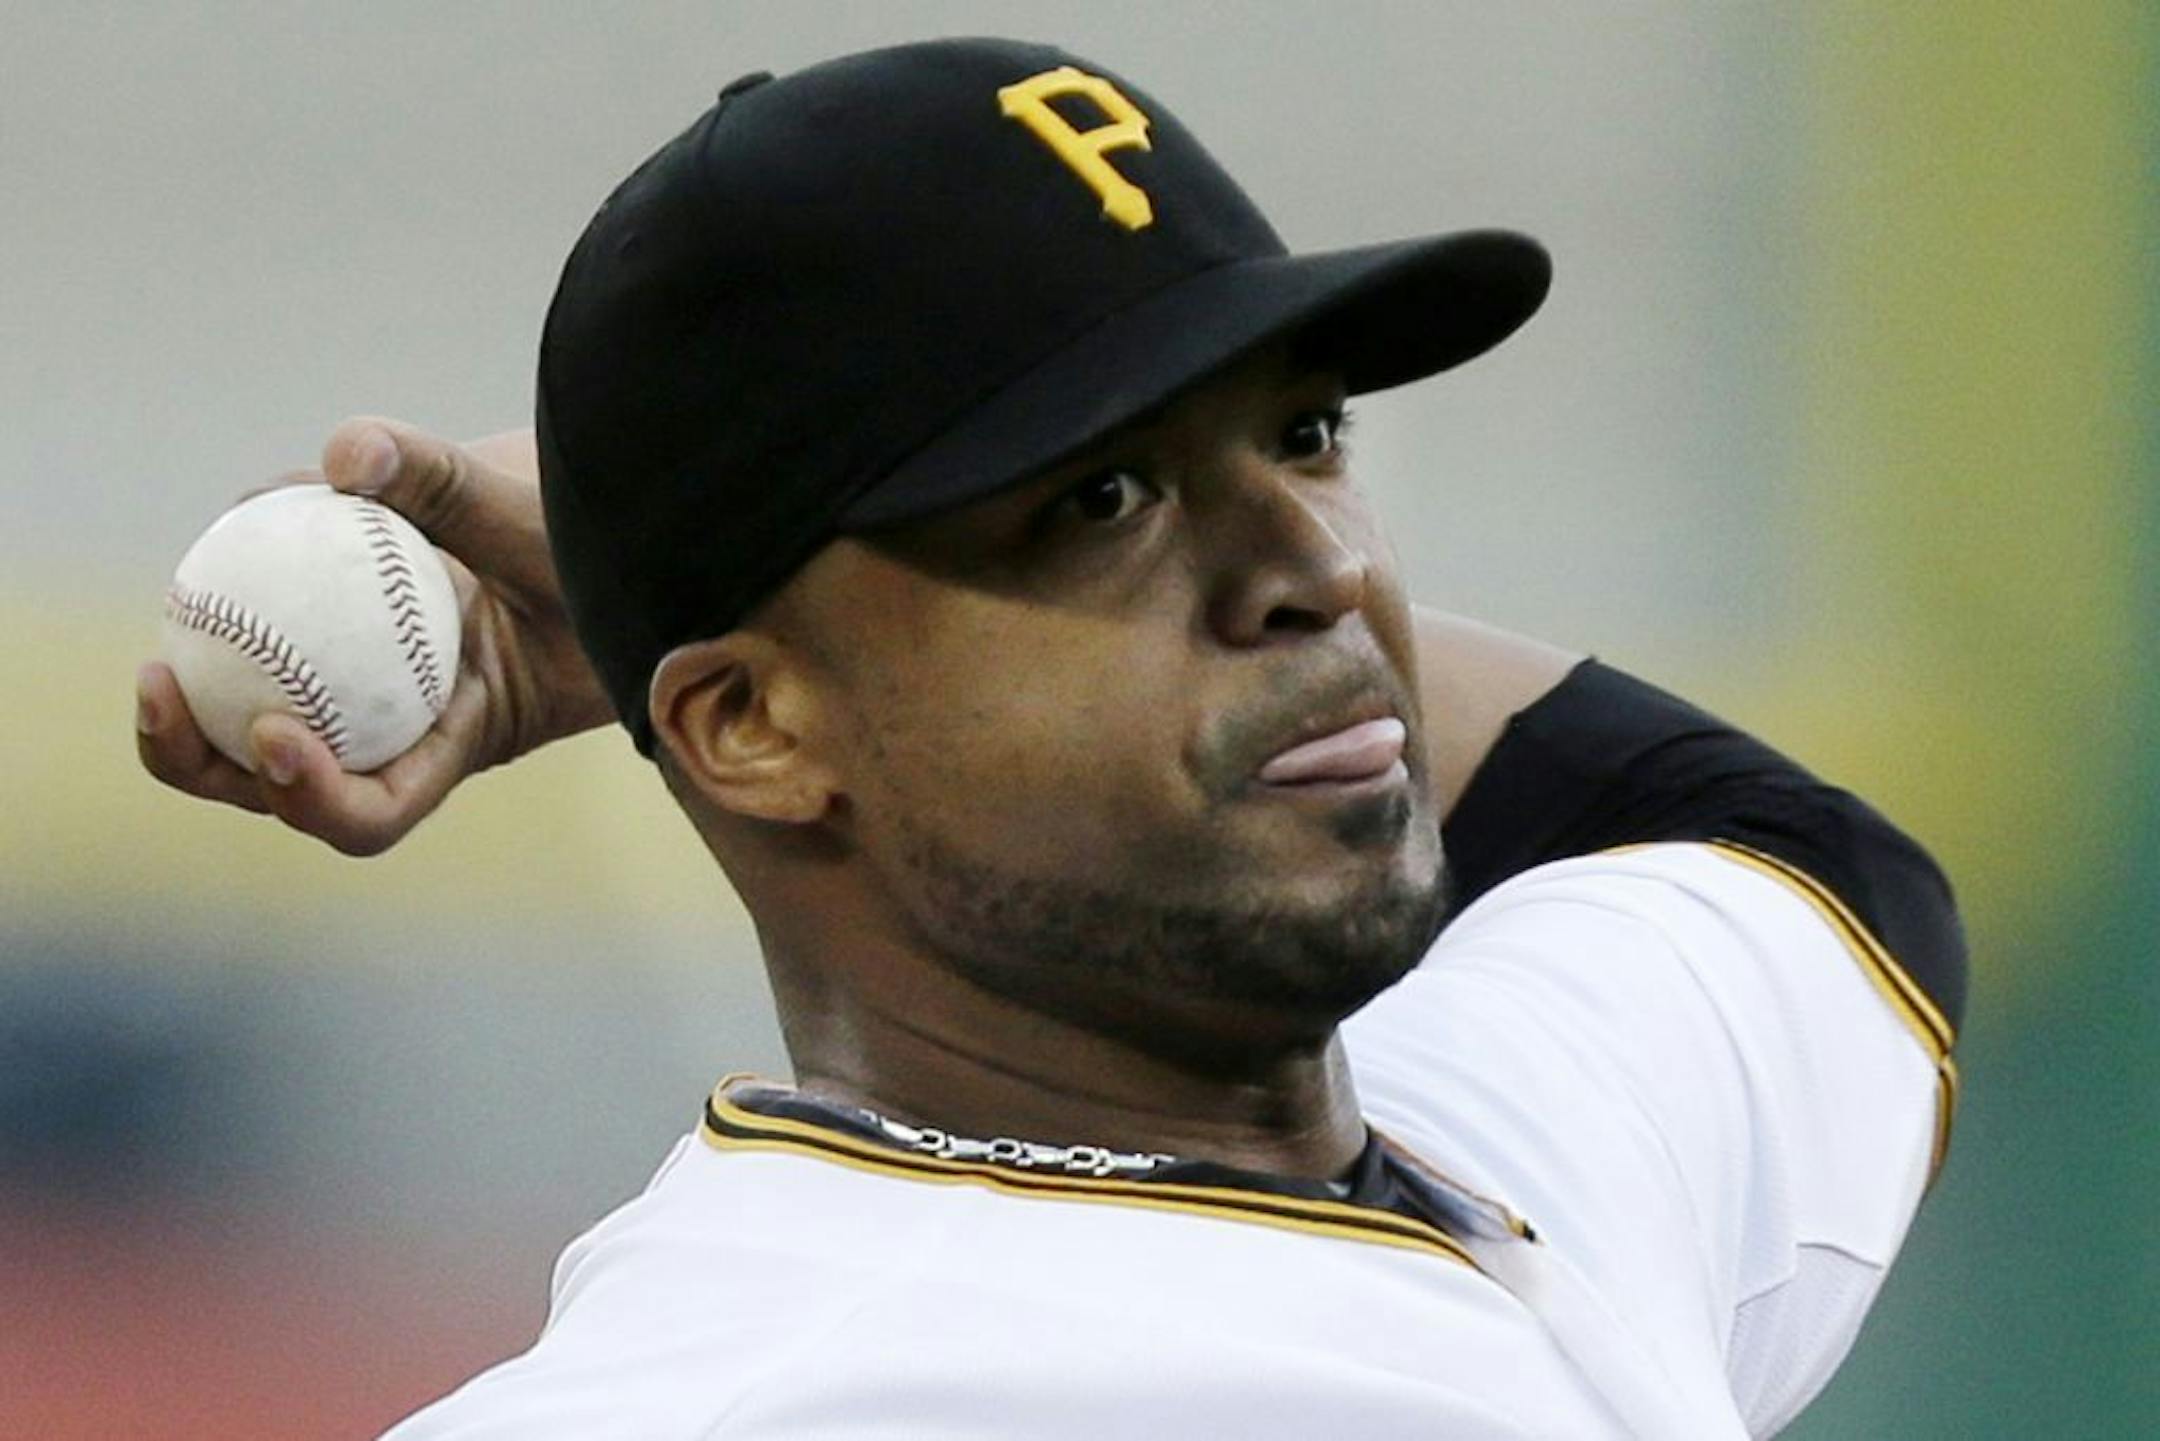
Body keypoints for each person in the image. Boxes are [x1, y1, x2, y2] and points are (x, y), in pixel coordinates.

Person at [134, 37, 1965, 1439]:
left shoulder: (1535, 1137)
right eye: (1103, 499)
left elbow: (1789, 854)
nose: (1322, 568)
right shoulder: (726, 1397)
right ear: (751, 726)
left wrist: (656, 633)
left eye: (1307, 434)